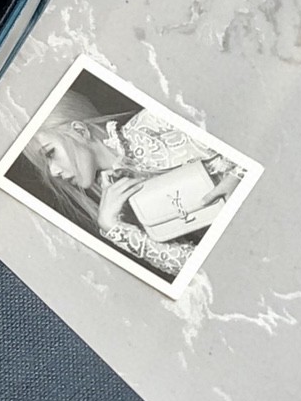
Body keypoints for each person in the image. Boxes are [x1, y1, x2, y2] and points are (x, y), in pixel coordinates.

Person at [21, 88, 243, 280]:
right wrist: (114, 228)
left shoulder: (154, 123)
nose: (54, 172)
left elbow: (245, 124)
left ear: (80, 131)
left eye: (50, 153)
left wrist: (239, 178)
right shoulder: (115, 199)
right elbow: (198, 268)